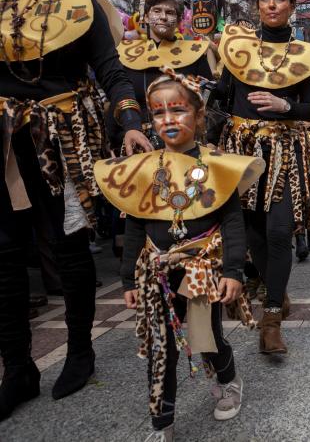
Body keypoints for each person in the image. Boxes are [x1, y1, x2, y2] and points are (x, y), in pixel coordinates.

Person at [0, 0, 152, 420]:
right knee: (3, 253)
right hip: (3, 143)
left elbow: (111, 70)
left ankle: (81, 351)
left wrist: (130, 120)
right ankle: (17, 367)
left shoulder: (80, 0)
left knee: (67, 247)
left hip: (61, 138)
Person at [95, 70, 262, 441]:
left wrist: (234, 271)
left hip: (204, 268)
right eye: (158, 113)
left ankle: (229, 379)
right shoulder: (146, 168)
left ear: (198, 115)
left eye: (178, 110)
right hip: (156, 272)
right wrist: (127, 279)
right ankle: (162, 422)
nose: (168, 119)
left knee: (206, 337)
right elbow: (136, 225)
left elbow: (233, 221)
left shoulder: (216, 164)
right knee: (161, 349)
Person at [214, 0, 310, 354]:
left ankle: (272, 317)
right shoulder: (236, 48)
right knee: (252, 234)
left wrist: (285, 105)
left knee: (279, 232)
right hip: (241, 151)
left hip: (283, 153)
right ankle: (276, 287)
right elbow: (221, 100)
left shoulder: (307, 55)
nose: (271, 4)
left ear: (292, 6)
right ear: (257, 4)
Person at [110, 0, 213, 151]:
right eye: (157, 11)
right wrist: (115, 142)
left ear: (179, 20)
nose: (163, 17)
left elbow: (208, 103)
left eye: (170, 12)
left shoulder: (195, 53)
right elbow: (117, 98)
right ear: (145, 17)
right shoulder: (124, 53)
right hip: (138, 143)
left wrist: (209, 139)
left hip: (184, 142)